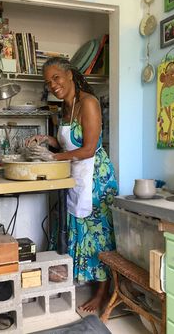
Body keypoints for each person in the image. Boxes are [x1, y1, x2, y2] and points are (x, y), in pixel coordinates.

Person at [25, 56, 118, 313]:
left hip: (96, 178)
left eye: (56, 77)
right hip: (75, 175)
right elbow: (66, 142)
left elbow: (88, 148)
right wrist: (46, 140)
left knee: (99, 235)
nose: (53, 85)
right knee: (77, 226)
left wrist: (53, 157)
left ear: (69, 75)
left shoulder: (89, 102)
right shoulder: (64, 108)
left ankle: (102, 292)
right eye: (48, 81)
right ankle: (80, 279)